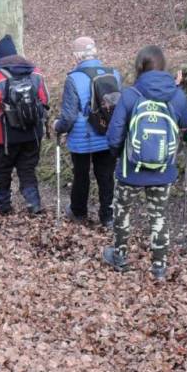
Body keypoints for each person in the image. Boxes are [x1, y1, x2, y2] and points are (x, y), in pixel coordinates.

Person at [102, 45, 187, 281]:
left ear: (139, 66)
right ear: (164, 66)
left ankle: (120, 256)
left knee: (122, 211)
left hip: (129, 169)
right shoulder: (176, 95)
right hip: (163, 169)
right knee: (158, 215)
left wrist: (118, 154)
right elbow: (186, 124)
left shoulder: (130, 95)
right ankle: (159, 266)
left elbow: (115, 134)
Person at [0, 34, 49, 215]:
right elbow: (45, 100)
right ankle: (33, 203)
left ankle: (4, 206)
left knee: (1, 170)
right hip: (33, 132)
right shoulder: (36, 73)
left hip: (5, 136)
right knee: (28, 169)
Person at [53, 36, 119, 228]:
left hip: (83, 137)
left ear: (77, 56)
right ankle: (108, 216)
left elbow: (69, 116)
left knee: (81, 174)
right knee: (106, 176)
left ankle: (78, 211)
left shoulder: (73, 78)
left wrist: (58, 126)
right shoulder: (114, 74)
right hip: (107, 133)